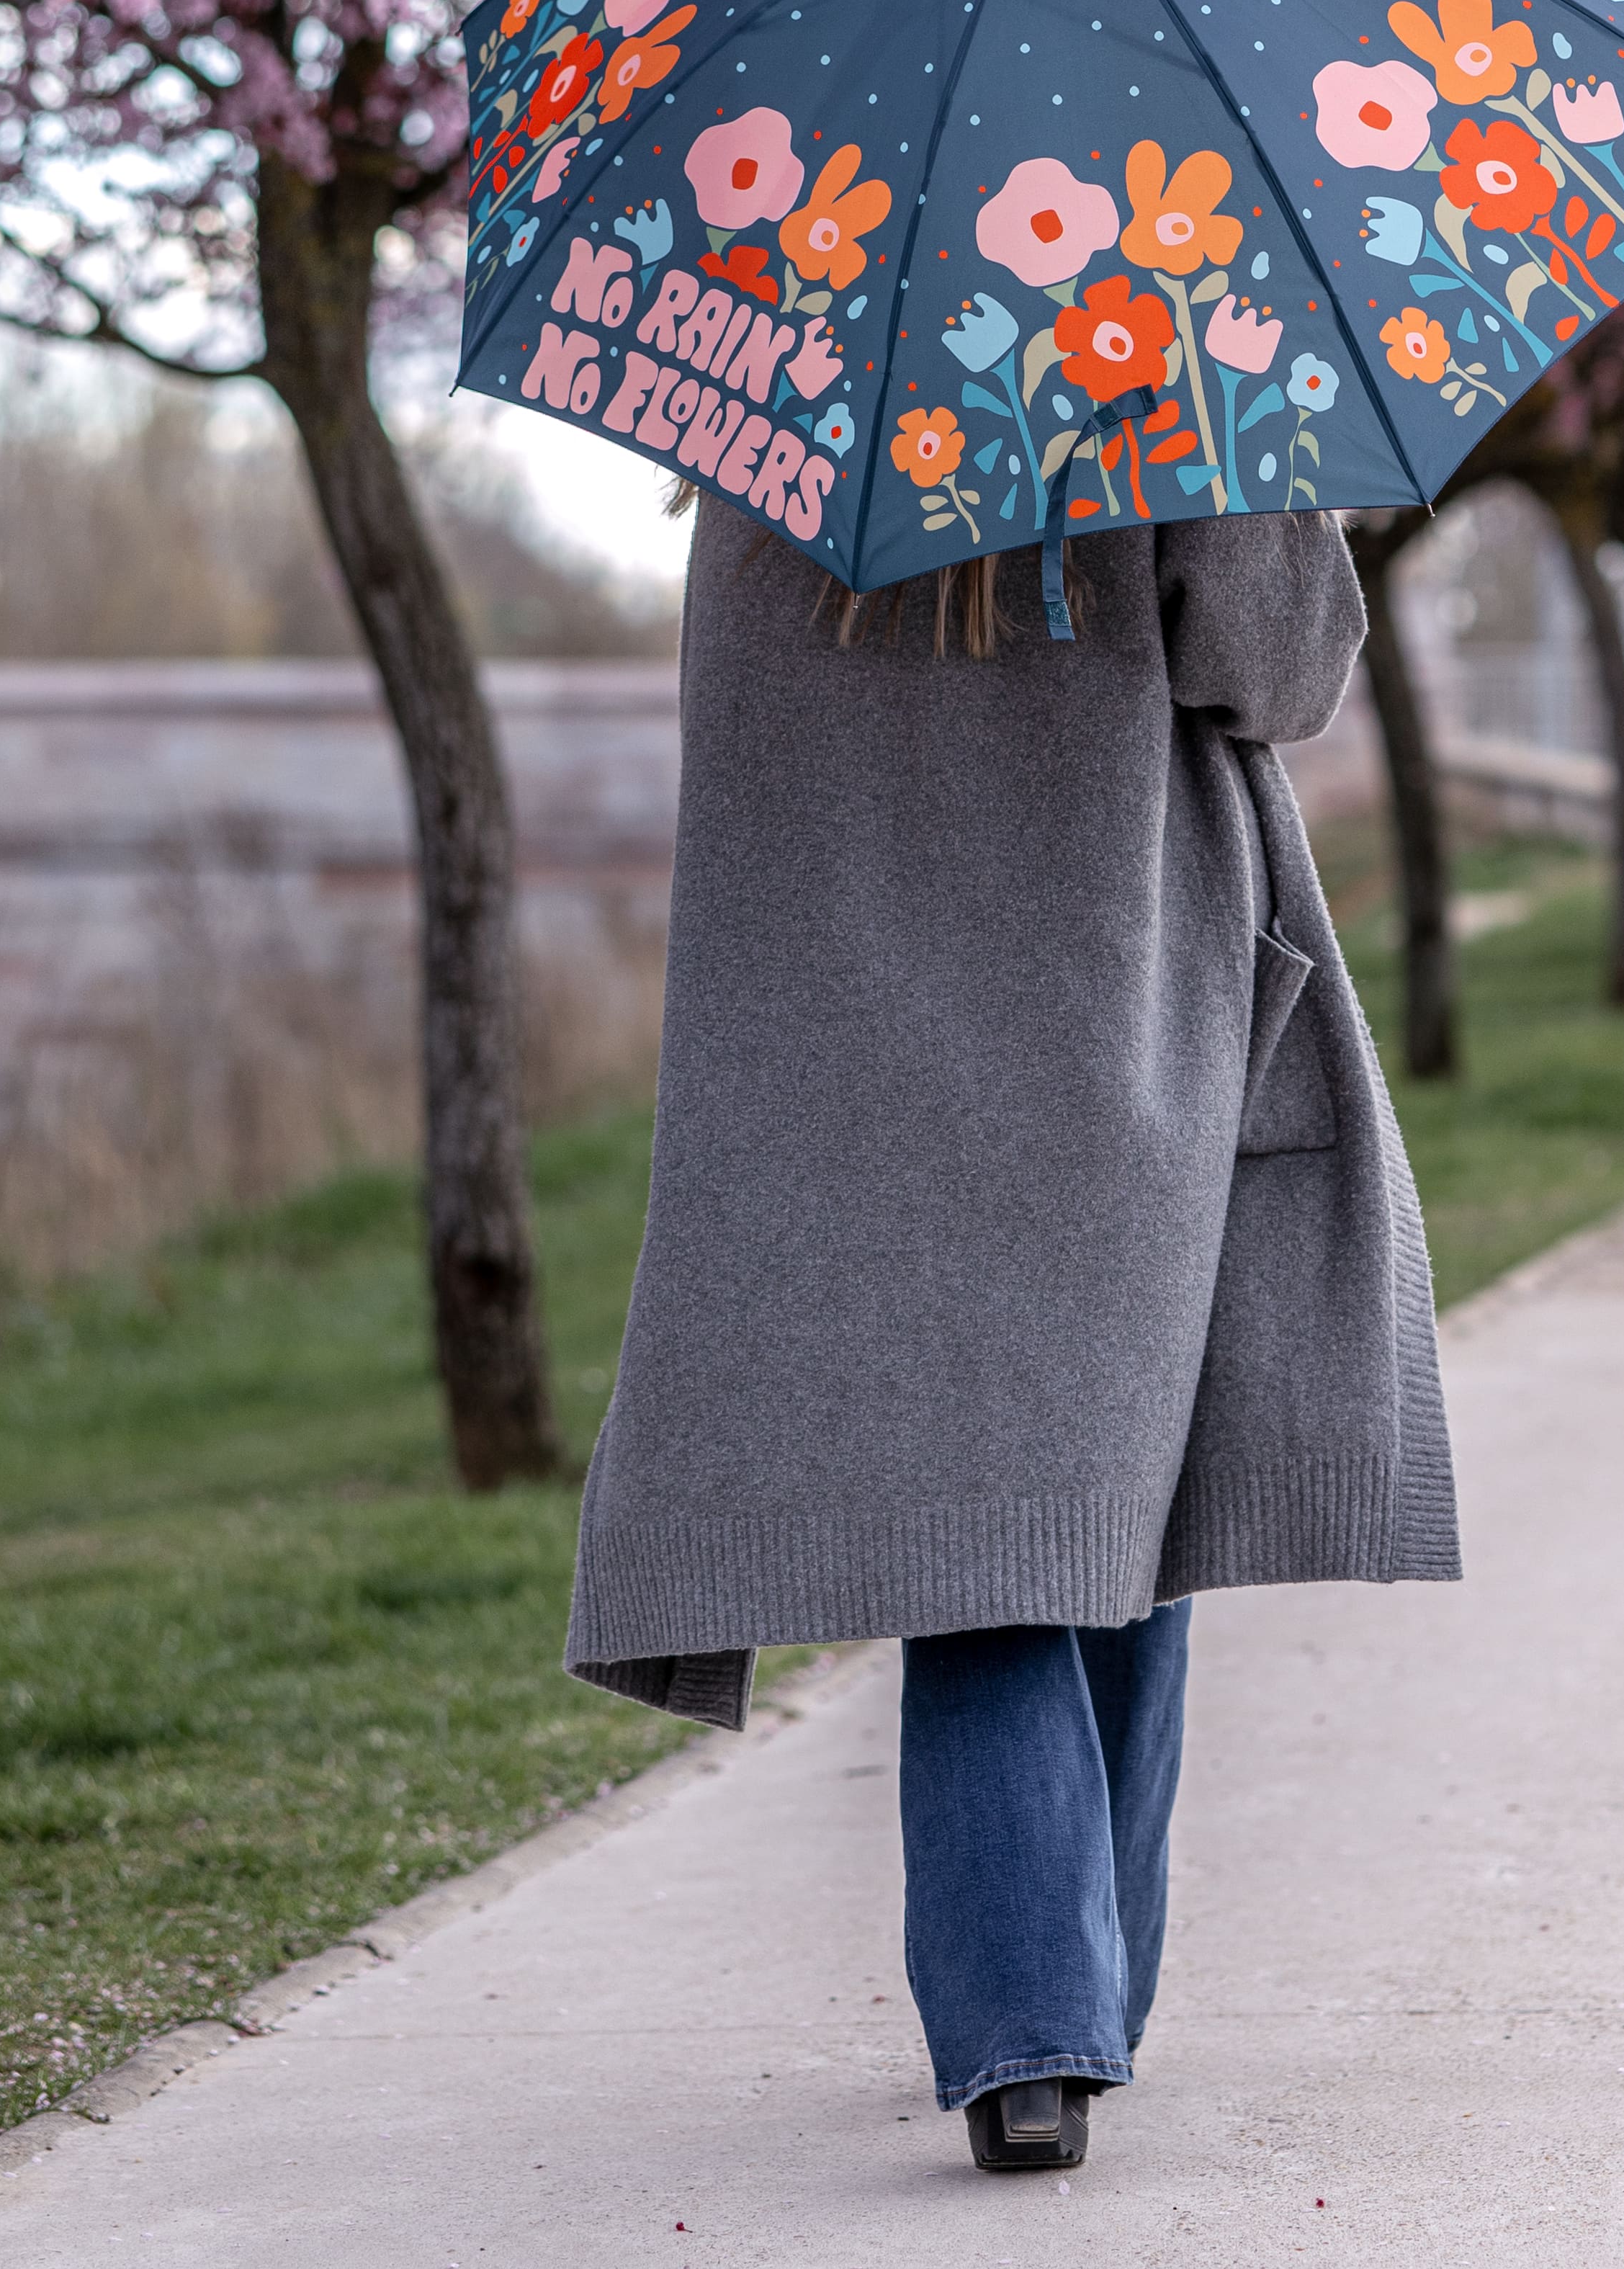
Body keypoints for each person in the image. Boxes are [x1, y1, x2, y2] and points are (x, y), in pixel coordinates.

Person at [562, 508, 1460, 2175]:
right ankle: (1055, 2006)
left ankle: (1045, 2015)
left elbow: (740, 744)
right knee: (1107, 1483)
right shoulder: (1162, 378)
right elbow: (1277, 675)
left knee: (979, 1502)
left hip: (844, 1034)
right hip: (1110, 992)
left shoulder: (777, 423)